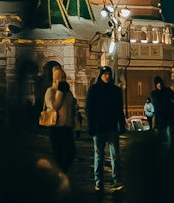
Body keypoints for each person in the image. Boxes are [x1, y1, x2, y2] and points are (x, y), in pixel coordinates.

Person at [85, 65, 125, 193]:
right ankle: (99, 181)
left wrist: (122, 124)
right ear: (101, 75)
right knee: (99, 156)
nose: (107, 76)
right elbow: (89, 109)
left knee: (115, 156)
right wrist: (91, 126)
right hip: (99, 128)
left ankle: (117, 180)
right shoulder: (94, 90)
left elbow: (120, 109)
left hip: (112, 126)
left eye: (109, 74)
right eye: (105, 74)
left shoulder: (115, 90)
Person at [43, 67, 77, 174]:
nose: (63, 79)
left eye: (64, 77)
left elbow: (73, 110)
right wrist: (60, 93)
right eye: (61, 77)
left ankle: (62, 171)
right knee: (58, 153)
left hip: (67, 127)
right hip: (55, 127)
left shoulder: (68, 92)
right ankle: (59, 174)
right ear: (55, 79)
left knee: (71, 152)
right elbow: (54, 106)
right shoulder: (50, 91)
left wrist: (77, 126)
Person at [148, 74, 174, 152]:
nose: (159, 85)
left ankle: (169, 155)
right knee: (158, 139)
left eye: (160, 83)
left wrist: (172, 108)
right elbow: (157, 104)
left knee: (170, 139)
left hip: (168, 117)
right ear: (156, 84)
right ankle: (159, 155)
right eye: (157, 83)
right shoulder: (154, 93)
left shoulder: (167, 91)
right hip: (159, 118)